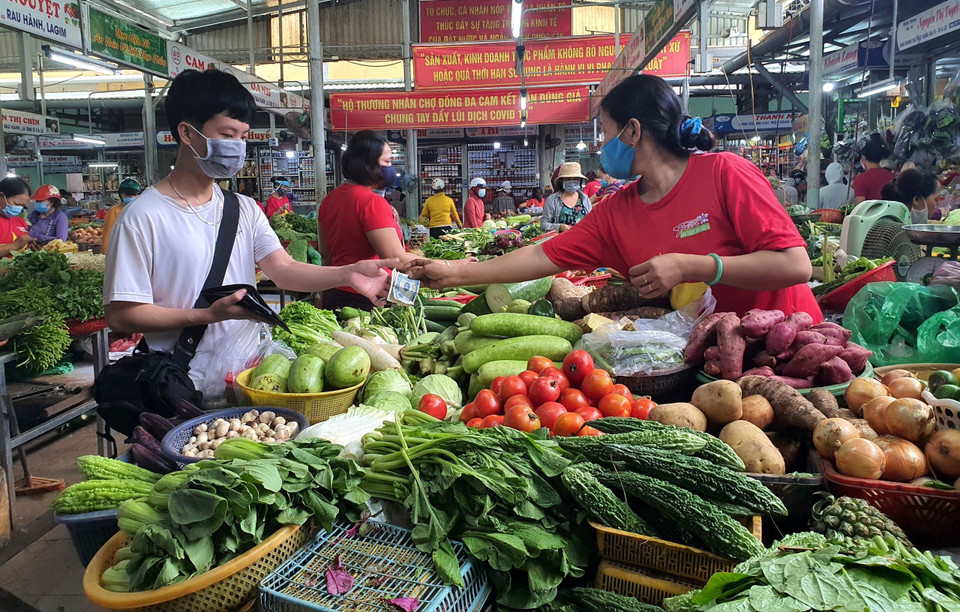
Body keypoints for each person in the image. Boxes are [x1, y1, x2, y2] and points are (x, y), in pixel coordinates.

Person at [403, 74, 819, 320]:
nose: (602, 145)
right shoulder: (617, 211)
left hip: (790, 345)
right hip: (712, 358)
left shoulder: (726, 173)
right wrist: (455, 272)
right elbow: (540, 257)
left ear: (633, 131)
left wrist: (692, 266)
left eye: (605, 131)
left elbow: (795, 265)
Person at [103, 68, 395, 399]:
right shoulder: (143, 217)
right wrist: (206, 316)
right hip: (180, 388)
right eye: (228, 135)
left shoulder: (244, 208)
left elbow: (284, 271)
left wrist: (348, 273)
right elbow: (120, 314)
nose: (238, 148)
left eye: (243, 137)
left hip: (248, 383)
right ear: (187, 132)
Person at [317, 129, 416, 312]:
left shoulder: (328, 201)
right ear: (370, 165)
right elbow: (398, 260)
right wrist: (450, 266)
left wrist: (324, 296)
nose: (391, 168)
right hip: (368, 297)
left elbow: (326, 256)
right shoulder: (372, 203)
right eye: (387, 162)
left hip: (335, 293)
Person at [541, 163, 592, 232]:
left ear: (580, 181)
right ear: (561, 181)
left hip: (583, 240)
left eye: (575, 179)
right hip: (560, 241)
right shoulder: (552, 200)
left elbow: (591, 222)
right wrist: (560, 227)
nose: (571, 182)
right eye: (568, 179)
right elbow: (544, 225)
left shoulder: (585, 199)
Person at [102, 178, 142, 255]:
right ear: (120, 195)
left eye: (134, 195)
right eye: (127, 195)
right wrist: (106, 253)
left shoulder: (143, 210)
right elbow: (108, 234)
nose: (131, 197)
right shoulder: (114, 211)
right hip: (122, 252)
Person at [853, 133, 895, 204]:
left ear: (863, 158)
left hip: (869, 215)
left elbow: (859, 207)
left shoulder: (860, 179)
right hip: (890, 214)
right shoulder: (892, 176)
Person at [0, 177, 34, 257]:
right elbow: (16, 245)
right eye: (16, 204)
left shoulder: (20, 222)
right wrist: (14, 246)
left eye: (23, 206)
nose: (19, 208)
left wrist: (28, 246)